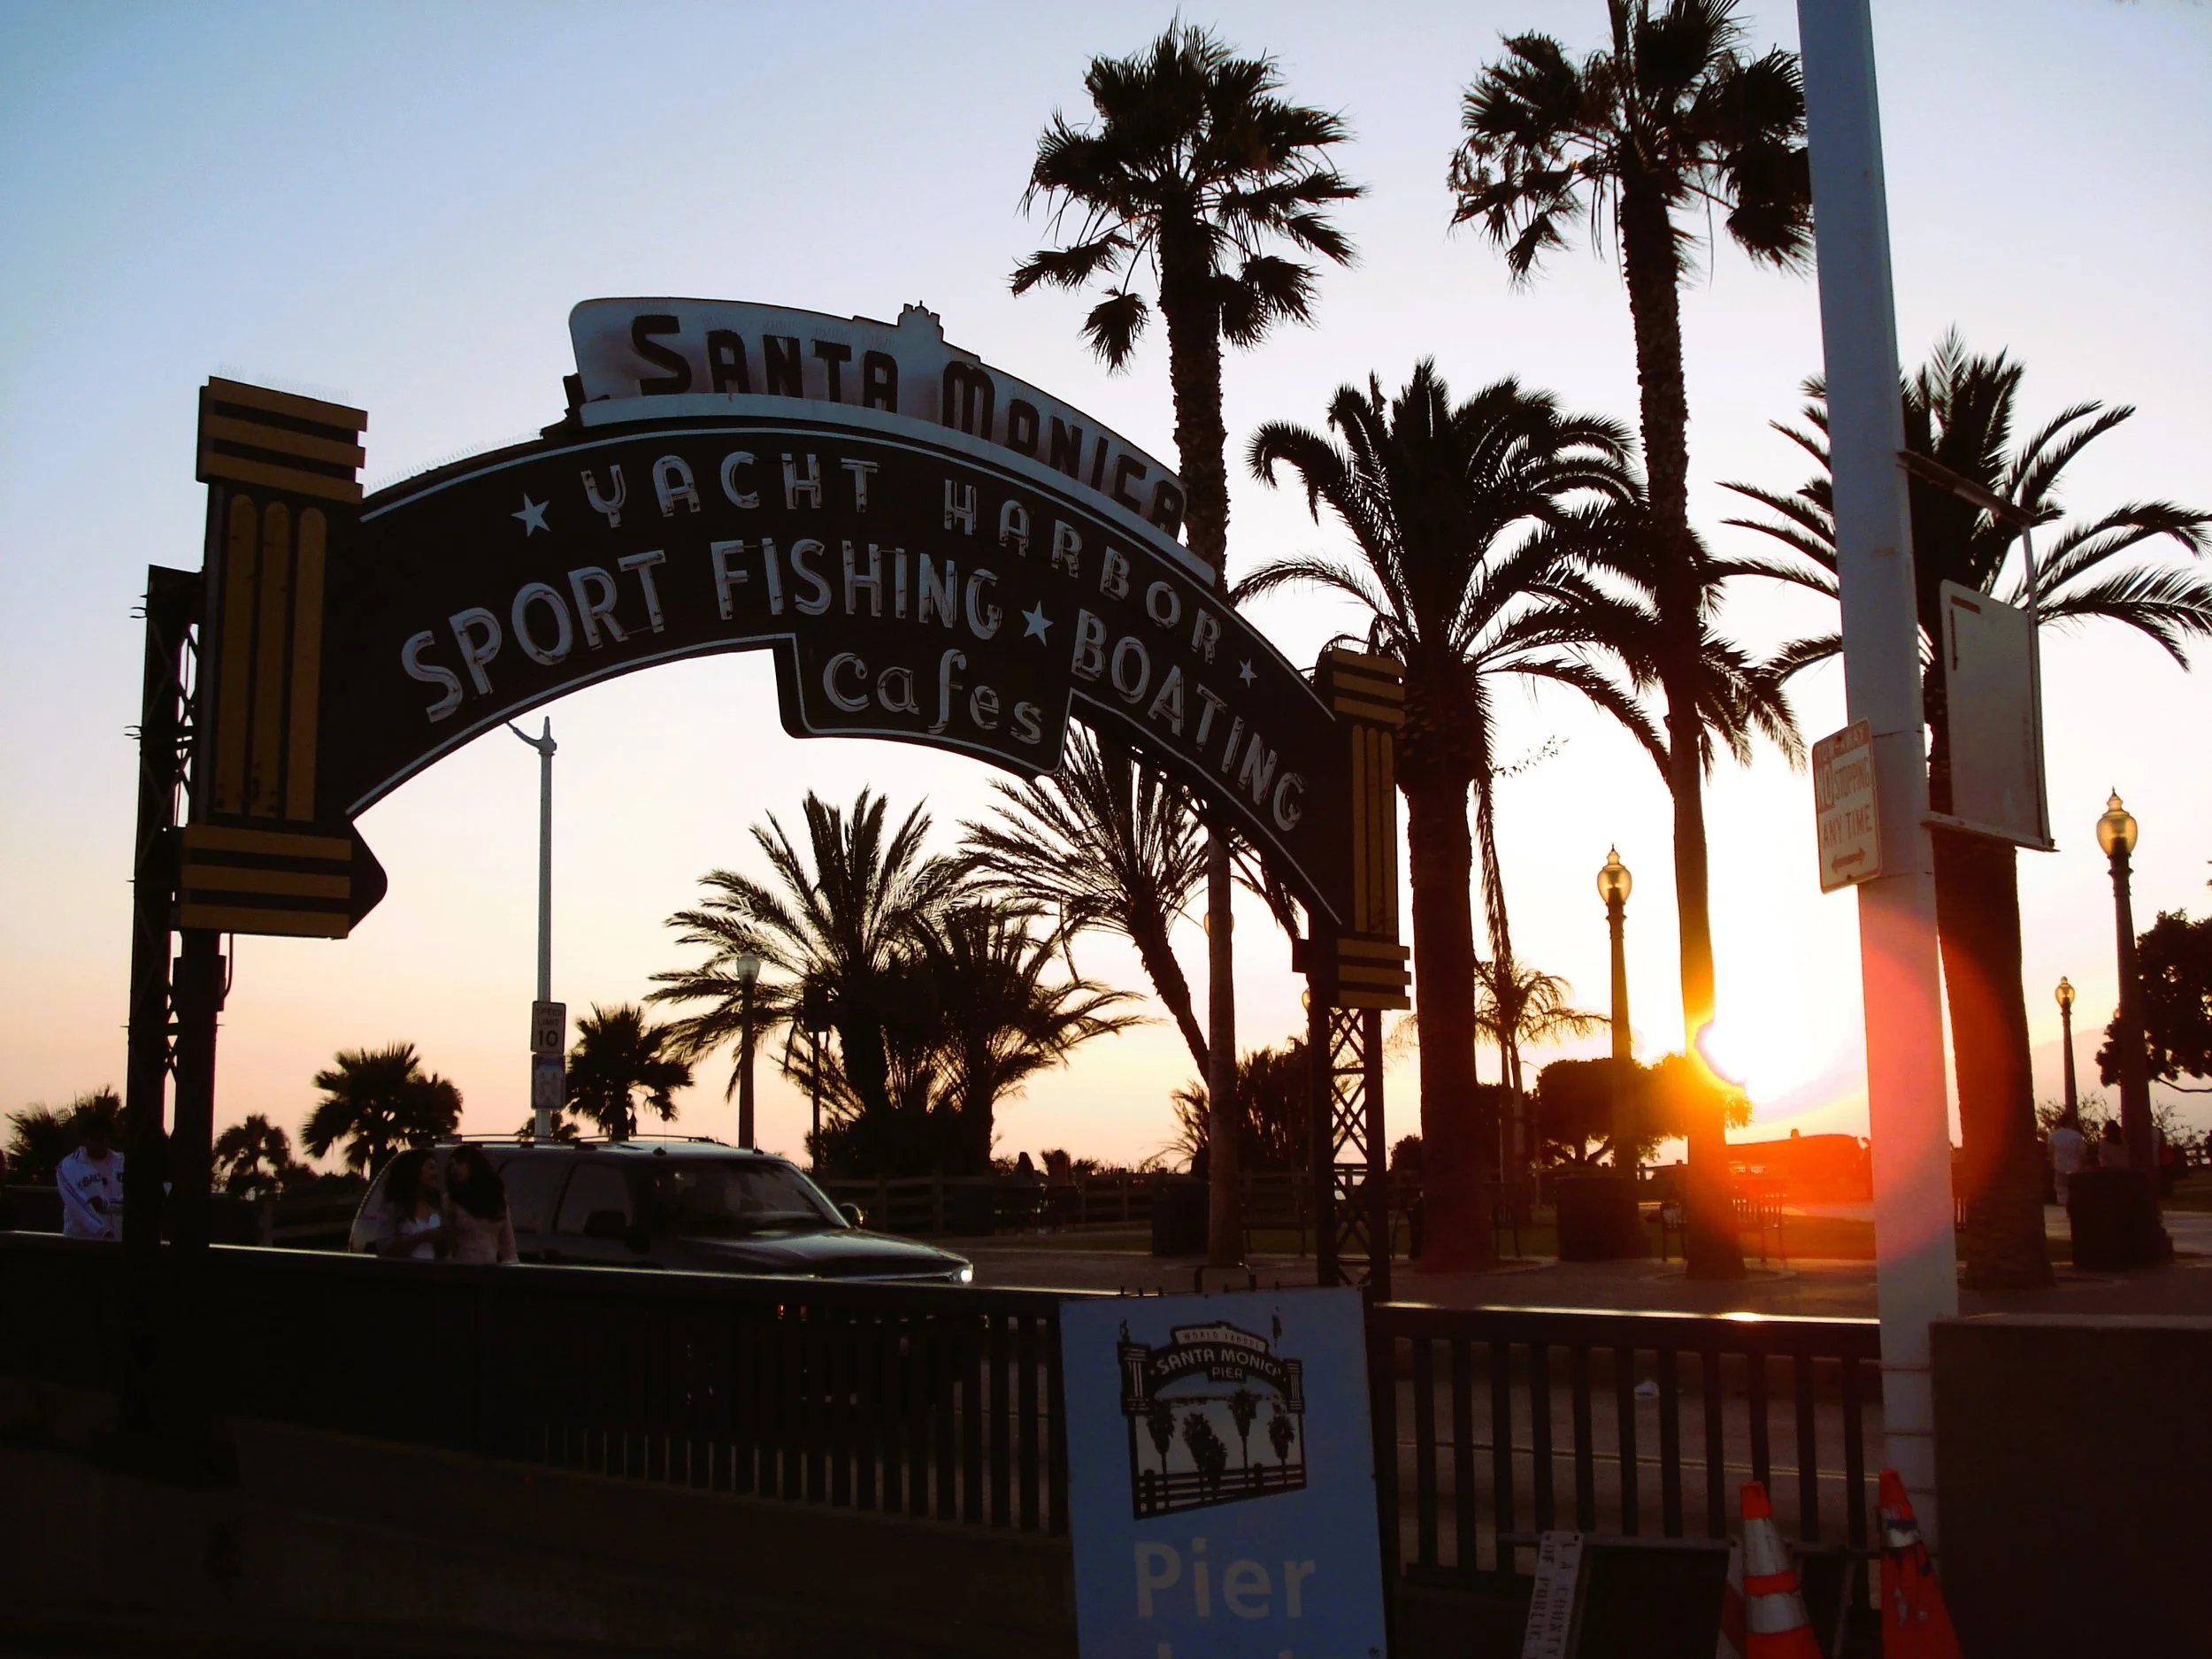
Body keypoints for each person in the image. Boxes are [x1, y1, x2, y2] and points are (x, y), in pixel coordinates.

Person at [56, 1110, 125, 1240]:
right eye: (93, 1138)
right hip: (81, 1241)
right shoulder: (69, 1166)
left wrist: (106, 1205)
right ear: (85, 1139)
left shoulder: (122, 1163)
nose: (97, 1144)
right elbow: (76, 1203)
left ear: (109, 1139)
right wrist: (102, 1231)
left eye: (102, 1139)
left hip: (118, 1242)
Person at [442, 1146, 516, 1263]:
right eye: (451, 1165)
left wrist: (511, 1267)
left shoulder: (496, 1199)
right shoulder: (450, 1200)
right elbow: (445, 1245)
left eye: (460, 1162)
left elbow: (508, 1245)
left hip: (490, 1269)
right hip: (461, 1268)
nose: (454, 1168)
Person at [373, 1148, 446, 1259]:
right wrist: (421, 1237)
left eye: (435, 1168)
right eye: (430, 1168)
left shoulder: (435, 1206)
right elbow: (384, 1246)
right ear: (414, 1171)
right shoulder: (393, 1208)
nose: (436, 1173)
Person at [2049, 1117, 2086, 1208]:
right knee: (2073, 1187)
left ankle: (2062, 1203)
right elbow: (2082, 1152)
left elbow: (2051, 1151)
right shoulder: (2077, 1136)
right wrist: (2082, 1166)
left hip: (2059, 1165)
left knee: (2061, 1187)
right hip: (2074, 1166)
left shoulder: (2053, 1135)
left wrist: (2053, 1163)